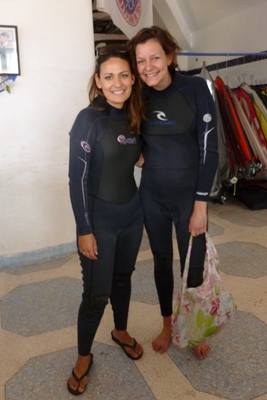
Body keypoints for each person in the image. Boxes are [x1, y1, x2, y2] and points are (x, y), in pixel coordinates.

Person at [128, 26, 218, 360]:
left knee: (193, 265)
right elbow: (124, 135)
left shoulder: (195, 89)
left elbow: (210, 151)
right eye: (140, 61)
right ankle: (167, 324)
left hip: (188, 200)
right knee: (162, 263)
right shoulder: (138, 94)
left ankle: (194, 329)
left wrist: (201, 205)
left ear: (169, 56)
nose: (148, 66)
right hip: (152, 196)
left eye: (154, 57)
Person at [67, 44, 145, 395]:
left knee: (123, 279)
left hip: (132, 214)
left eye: (124, 75)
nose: (118, 83)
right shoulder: (88, 120)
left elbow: (136, 155)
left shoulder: (134, 114)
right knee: (96, 294)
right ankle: (84, 356)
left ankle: (120, 330)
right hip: (99, 221)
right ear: (98, 81)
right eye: (109, 76)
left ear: (132, 79)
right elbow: (77, 179)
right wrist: (84, 230)